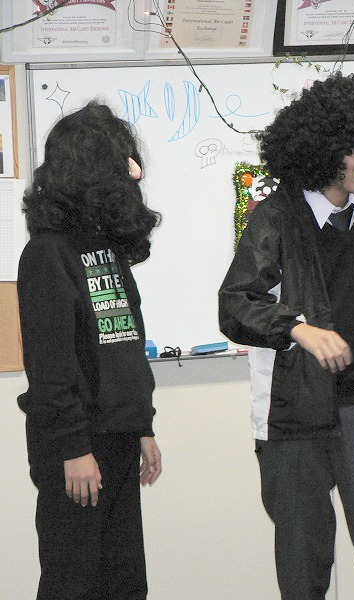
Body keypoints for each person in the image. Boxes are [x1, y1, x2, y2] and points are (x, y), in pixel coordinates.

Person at [218, 72, 354, 600]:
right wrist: (298, 329)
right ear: (322, 150)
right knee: (304, 564)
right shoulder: (276, 218)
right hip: (296, 412)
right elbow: (235, 305)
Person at [17, 101, 162, 599]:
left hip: (118, 438)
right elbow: (50, 368)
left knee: (125, 583)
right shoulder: (47, 254)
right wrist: (73, 448)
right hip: (76, 448)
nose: (132, 172)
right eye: (120, 161)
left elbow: (127, 344)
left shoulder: (106, 248)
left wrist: (142, 426)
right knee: (73, 584)